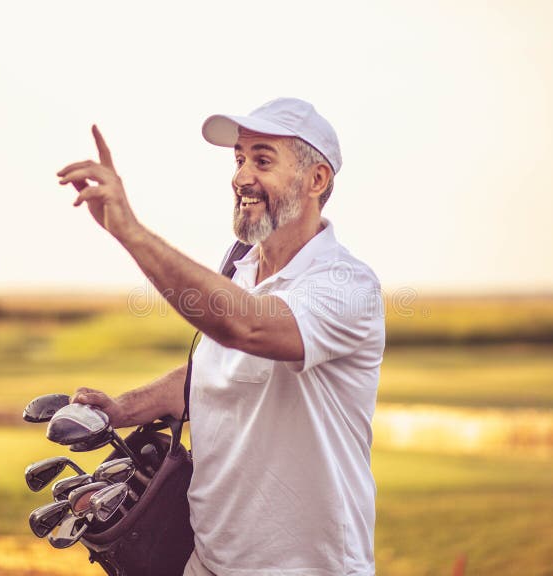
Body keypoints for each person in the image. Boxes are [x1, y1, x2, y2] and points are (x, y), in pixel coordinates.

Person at [57, 97, 385, 576]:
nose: (241, 177)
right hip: (206, 563)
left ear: (317, 180)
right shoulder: (240, 270)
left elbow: (245, 327)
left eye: (263, 159)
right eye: (239, 159)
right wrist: (124, 408)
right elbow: (212, 369)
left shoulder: (347, 284)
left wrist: (130, 231)